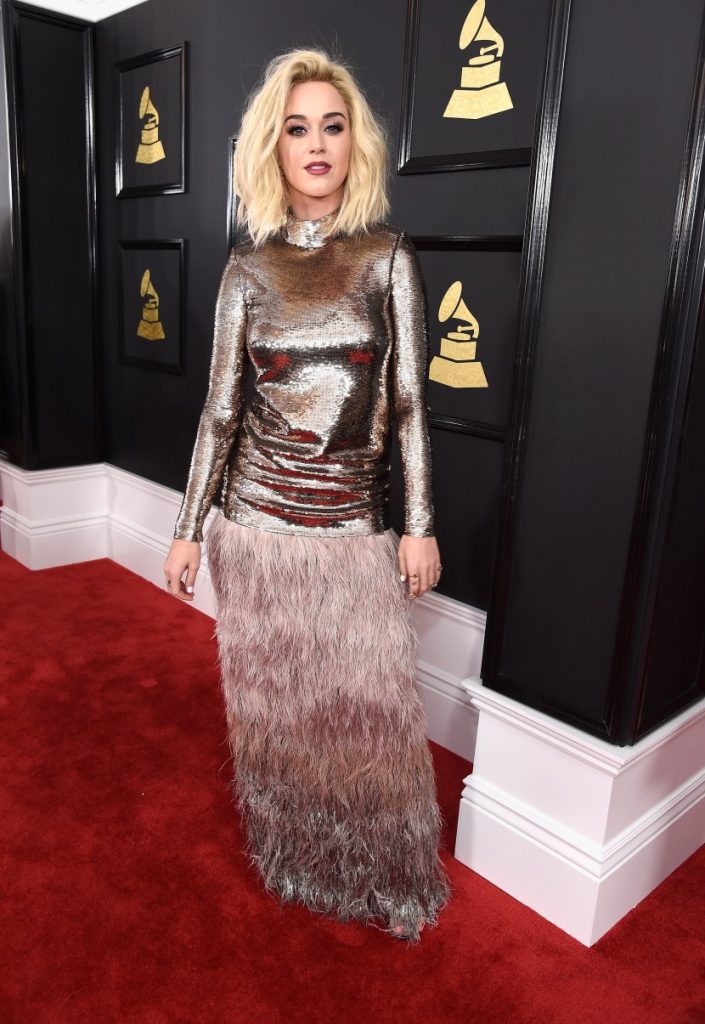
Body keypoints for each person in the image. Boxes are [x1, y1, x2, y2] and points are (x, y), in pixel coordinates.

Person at [163, 46, 452, 942]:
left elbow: (406, 402)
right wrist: (187, 528)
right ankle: (294, 857)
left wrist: (417, 526)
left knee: (364, 718)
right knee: (276, 712)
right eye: (297, 129)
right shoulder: (245, 273)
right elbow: (219, 414)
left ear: (352, 144)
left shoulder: (387, 259)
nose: (315, 144)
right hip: (254, 530)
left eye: (332, 126)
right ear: (273, 149)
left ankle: (386, 877)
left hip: (351, 527)